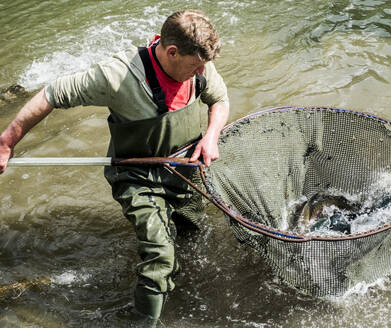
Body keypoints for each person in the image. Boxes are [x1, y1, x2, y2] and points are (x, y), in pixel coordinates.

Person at [0, 9, 229, 325]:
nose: (203, 71)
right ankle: (144, 321)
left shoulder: (199, 64)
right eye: (196, 66)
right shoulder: (116, 76)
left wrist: (211, 136)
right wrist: (7, 142)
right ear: (172, 51)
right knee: (161, 256)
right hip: (138, 177)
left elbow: (220, 100)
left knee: (191, 232)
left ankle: (180, 289)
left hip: (185, 170)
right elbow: (52, 94)